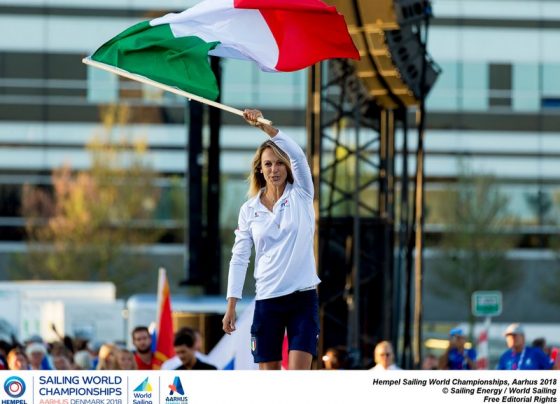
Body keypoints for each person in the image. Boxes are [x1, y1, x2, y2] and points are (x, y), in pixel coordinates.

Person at [222, 109, 321, 371]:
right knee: (269, 380)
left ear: (287, 167)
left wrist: (265, 127)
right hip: (267, 299)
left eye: (279, 163)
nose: (274, 169)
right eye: (268, 164)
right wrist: (231, 304)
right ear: (260, 169)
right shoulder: (249, 209)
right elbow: (239, 258)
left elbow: (298, 155)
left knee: (299, 378)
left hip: (302, 298)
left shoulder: (301, 193)